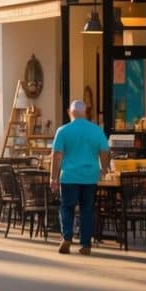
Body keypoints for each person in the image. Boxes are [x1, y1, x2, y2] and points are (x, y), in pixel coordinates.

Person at [50, 99, 110, 255]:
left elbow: (57, 156)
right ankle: (85, 244)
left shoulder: (63, 131)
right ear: (85, 113)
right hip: (90, 177)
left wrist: (53, 178)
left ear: (70, 113)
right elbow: (104, 151)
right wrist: (104, 170)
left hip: (69, 176)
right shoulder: (96, 130)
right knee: (87, 209)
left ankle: (67, 237)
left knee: (67, 207)